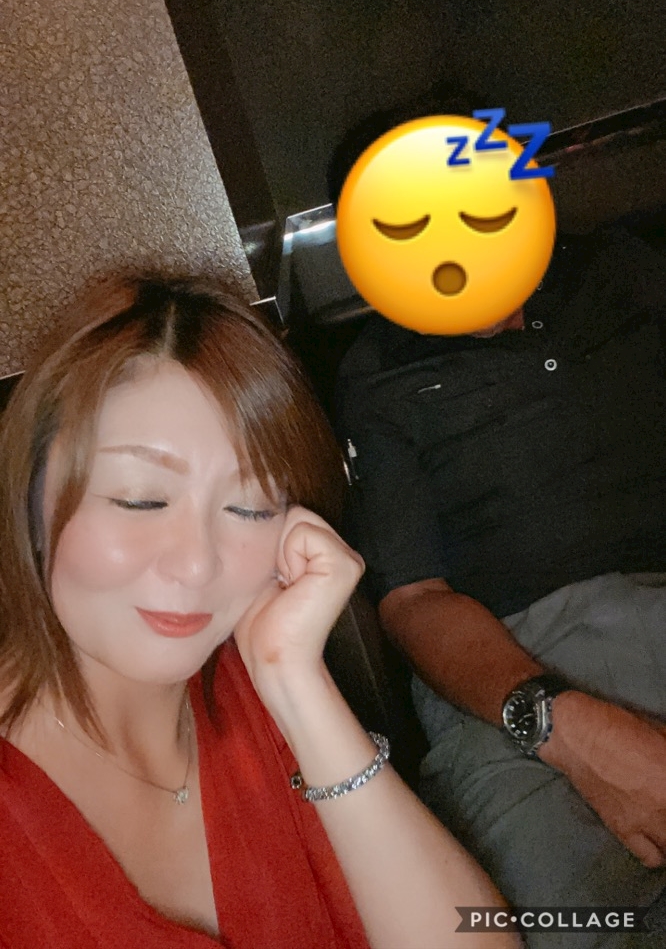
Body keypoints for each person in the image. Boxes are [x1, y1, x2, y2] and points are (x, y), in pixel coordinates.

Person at [0, 274, 520, 949]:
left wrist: (295, 682)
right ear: (32, 499)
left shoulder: (261, 705)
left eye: (249, 508)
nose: (196, 564)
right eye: (139, 499)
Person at [335, 219, 666, 947]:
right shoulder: (378, 372)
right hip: (502, 666)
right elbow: (414, 600)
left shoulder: (618, 268)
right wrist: (564, 729)